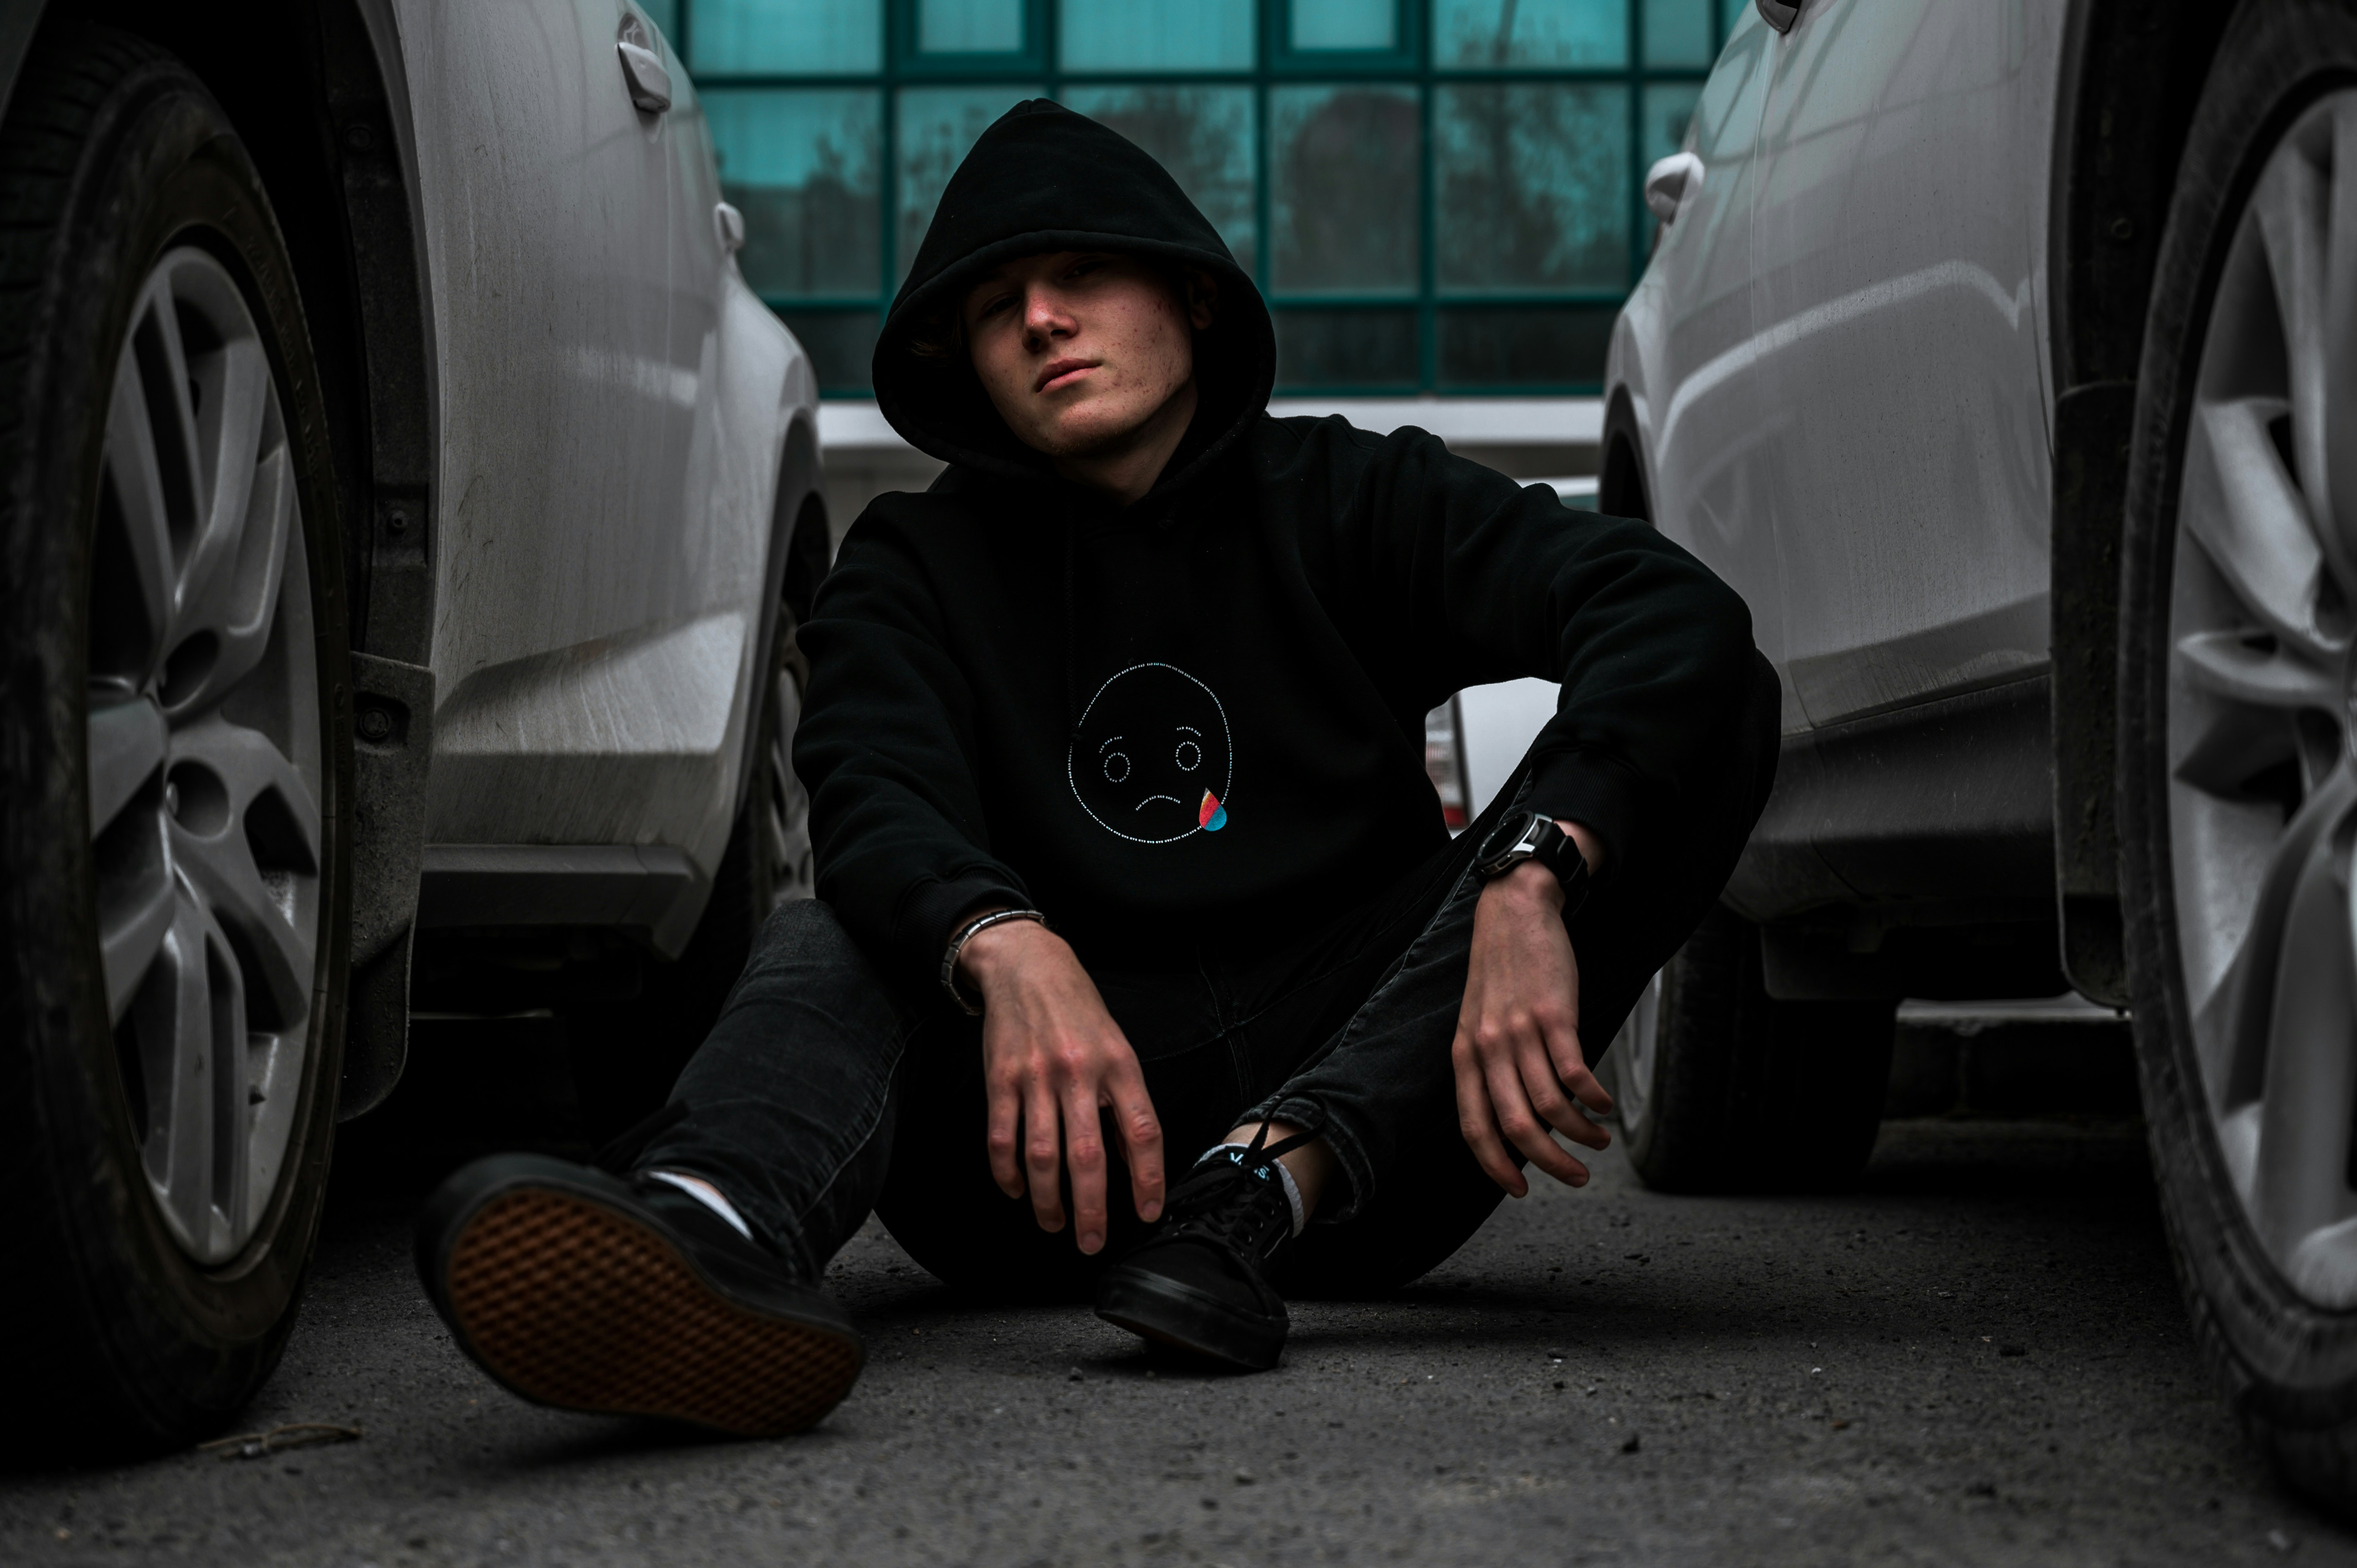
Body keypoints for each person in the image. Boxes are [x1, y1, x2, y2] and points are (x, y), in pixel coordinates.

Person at [413, 101, 1779, 1438]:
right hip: (1039, 1153)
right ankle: (712, 1227)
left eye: (1080, 274)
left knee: (1708, 714)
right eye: (994, 307)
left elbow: (1669, 616)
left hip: (1369, 1137)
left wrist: (1535, 875)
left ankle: (1263, 1183)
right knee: (837, 933)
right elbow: (872, 787)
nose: (1040, 320)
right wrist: (1001, 940)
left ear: (1192, 294)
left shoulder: (1349, 497)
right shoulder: (913, 564)